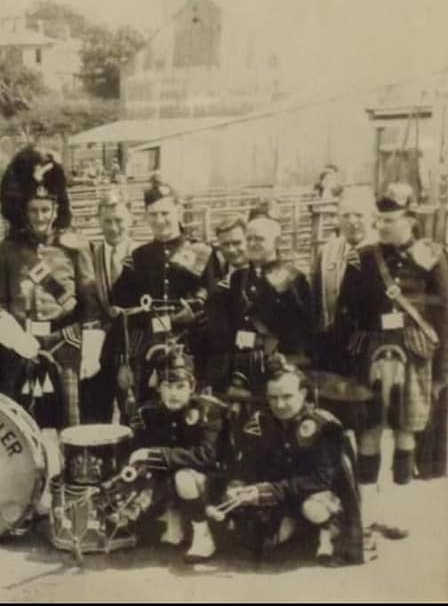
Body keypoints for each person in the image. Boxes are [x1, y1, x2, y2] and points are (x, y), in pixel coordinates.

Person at [335, 182, 448, 537]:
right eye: (379, 219)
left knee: (405, 433)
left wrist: (443, 369)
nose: (382, 225)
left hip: (413, 354)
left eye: (390, 219)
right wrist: (345, 363)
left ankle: (399, 511)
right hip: (370, 353)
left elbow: (445, 315)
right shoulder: (364, 258)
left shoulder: (433, 257)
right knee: (368, 431)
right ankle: (369, 511)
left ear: (410, 220)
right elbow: (345, 312)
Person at [0, 146, 103, 450]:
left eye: (45, 210)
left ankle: (72, 486)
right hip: (22, 346)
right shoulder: (9, 249)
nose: (40, 217)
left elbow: (90, 305)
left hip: (65, 345)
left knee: (70, 428)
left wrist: (90, 353)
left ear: (56, 210)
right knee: (18, 426)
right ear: (24, 210)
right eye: (33, 210)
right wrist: (13, 337)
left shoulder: (75, 246)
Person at [210, 362, 363, 566]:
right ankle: (291, 525)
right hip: (284, 493)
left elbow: (323, 479)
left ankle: (329, 531)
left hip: (318, 494)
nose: (279, 405)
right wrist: (238, 485)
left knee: (313, 509)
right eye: (273, 397)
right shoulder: (261, 422)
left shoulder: (323, 425)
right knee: (257, 538)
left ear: (303, 393)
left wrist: (268, 491)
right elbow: (248, 462)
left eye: (287, 396)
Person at [110, 182, 219, 406]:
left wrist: (196, 314)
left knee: (193, 411)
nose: (159, 220)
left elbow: (215, 299)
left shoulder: (203, 252)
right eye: (153, 214)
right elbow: (121, 309)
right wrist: (124, 359)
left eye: (165, 213)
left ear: (179, 211)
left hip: (192, 345)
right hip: (150, 347)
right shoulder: (139, 257)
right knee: (149, 409)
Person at [125, 346, 226, 563]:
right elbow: (139, 451)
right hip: (171, 477)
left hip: (211, 479)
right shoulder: (149, 412)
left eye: (180, 386)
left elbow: (206, 455)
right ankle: (173, 518)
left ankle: (203, 535)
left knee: (183, 477)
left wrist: (157, 456)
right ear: (159, 388)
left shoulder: (207, 410)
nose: (173, 393)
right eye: (167, 386)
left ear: (192, 387)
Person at [206, 215, 314, 396]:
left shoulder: (292, 278)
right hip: (243, 365)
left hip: (278, 364)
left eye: (259, 239)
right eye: (249, 238)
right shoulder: (238, 278)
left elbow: (303, 328)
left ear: (277, 241)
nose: (253, 244)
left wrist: (288, 362)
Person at [311, 187, 377, 372]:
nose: (352, 222)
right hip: (333, 343)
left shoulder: (383, 252)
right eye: (346, 215)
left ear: (373, 217)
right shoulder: (326, 251)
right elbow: (316, 300)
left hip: (371, 346)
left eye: (359, 215)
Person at [88, 189, 133, 424]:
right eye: (107, 221)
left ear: (131, 219)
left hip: (132, 351)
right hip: (97, 351)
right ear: (98, 221)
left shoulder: (142, 255)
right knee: (96, 418)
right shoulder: (89, 256)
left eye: (119, 221)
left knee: (132, 416)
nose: (113, 228)